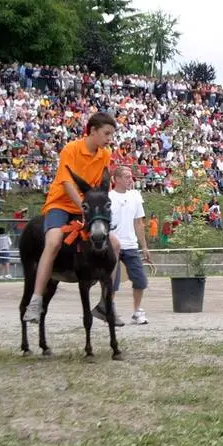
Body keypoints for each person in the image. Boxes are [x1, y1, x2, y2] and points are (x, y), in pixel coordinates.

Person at [23, 112, 120, 324]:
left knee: (114, 243)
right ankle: (36, 300)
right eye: (106, 134)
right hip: (61, 204)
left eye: (111, 135)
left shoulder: (105, 154)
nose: (109, 139)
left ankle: (106, 303)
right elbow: (67, 184)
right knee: (54, 240)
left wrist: (94, 209)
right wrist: (85, 209)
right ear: (92, 131)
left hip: (85, 207)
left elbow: (98, 187)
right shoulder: (71, 150)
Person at [109, 166, 152, 325]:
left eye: (131, 177)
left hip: (131, 245)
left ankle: (137, 310)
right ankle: (110, 308)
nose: (130, 180)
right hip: (113, 245)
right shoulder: (108, 197)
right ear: (116, 179)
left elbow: (138, 223)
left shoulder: (135, 196)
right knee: (112, 281)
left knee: (140, 279)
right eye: (126, 177)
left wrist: (144, 246)